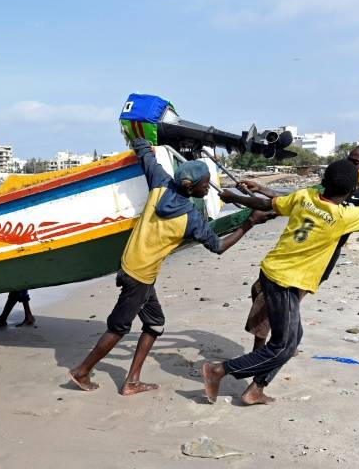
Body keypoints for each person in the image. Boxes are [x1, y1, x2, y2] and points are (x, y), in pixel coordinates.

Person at [203, 149, 359, 406]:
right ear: (348, 190)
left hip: (283, 273)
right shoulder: (343, 215)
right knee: (282, 344)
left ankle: (255, 388)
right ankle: (219, 371)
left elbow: (270, 204)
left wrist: (236, 197)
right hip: (286, 280)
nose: (352, 164)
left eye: (356, 162)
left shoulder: (306, 195)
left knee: (291, 338)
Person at [68, 138, 272, 396]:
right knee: (119, 327)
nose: (208, 188)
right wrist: (249, 223)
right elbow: (218, 247)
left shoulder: (160, 183)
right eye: (205, 184)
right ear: (193, 187)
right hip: (140, 278)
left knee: (155, 324)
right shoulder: (191, 218)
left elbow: (144, 153)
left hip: (132, 266)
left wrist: (144, 140)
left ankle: (132, 381)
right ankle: (81, 371)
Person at [240, 143, 359, 350]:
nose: (348, 165)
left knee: (268, 303)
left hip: (316, 261)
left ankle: (264, 351)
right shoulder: (337, 182)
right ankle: (286, 341)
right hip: (294, 254)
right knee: (265, 294)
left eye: (355, 163)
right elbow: (299, 200)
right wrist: (263, 189)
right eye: (348, 159)